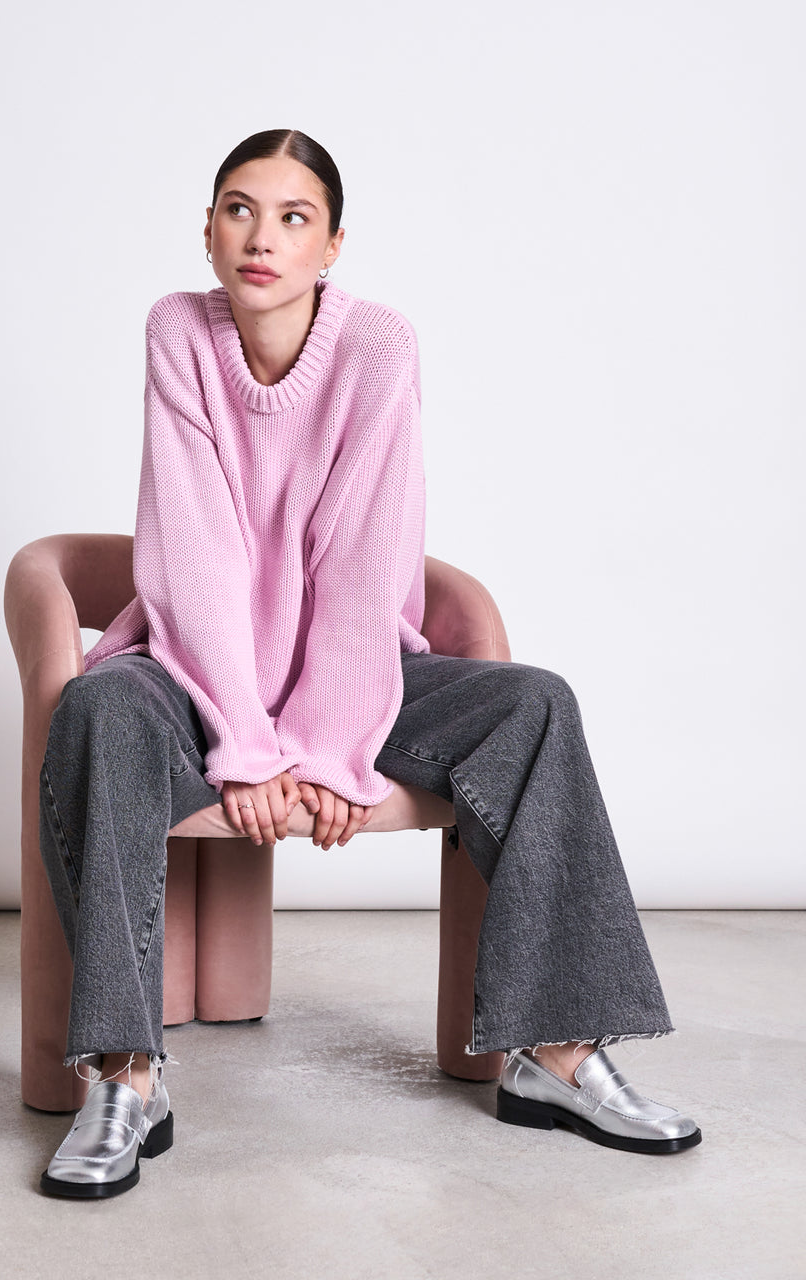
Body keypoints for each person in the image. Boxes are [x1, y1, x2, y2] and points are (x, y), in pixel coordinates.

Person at [37, 129, 702, 1199]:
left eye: (293, 217)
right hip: (196, 681)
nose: (262, 237)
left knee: (533, 705)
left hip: (353, 681)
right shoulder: (177, 330)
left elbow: (362, 566)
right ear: (207, 230)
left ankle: (556, 1052)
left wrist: (325, 751)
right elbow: (196, 557)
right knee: (96, 709)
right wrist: (249, 747)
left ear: (332, 243)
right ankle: (124, 1073)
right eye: (239, 209)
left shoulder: (379, 348)